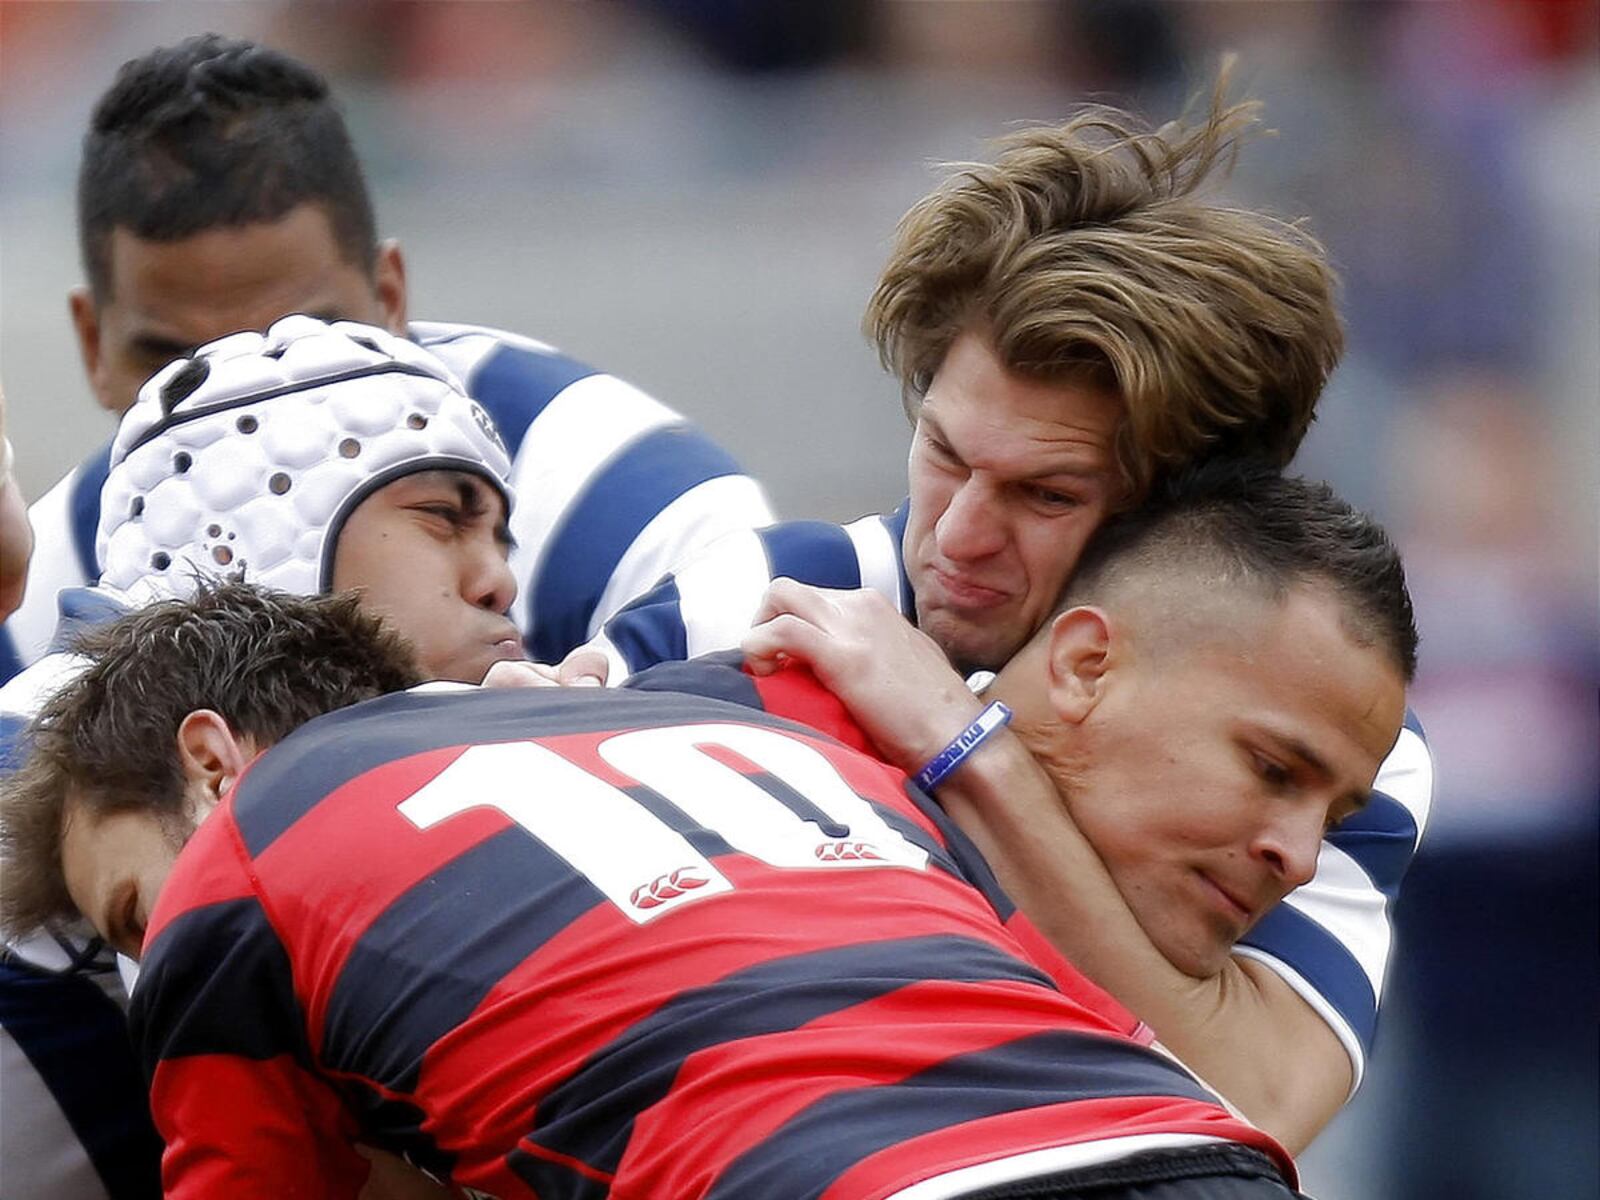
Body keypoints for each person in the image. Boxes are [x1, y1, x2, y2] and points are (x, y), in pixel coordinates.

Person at [0, 462, 1415, 1196]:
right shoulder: (790, 691)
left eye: (131, 916)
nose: (146, 966)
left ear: (215, 772)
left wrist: (964, 741)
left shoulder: (248, 864)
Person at [542, 85, 1434, 1150]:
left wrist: (964, 749)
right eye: (943, 453)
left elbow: (1254, 1106)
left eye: (1046, 496)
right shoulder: (773, 597)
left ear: (1173, 516)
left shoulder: (1329, 744)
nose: (957, 537)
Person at [0, 32, 773, 685]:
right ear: (94, 346)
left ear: (391, 300)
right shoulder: (42, 591)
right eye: (181, 363)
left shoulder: (621, 503)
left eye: (303, 340)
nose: (242, 405)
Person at [0, 316, 522, 1200]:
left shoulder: (75, 715)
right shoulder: (117, 755)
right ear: (261, 518)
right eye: (444, 518)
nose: (498, 579)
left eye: (501, 538)